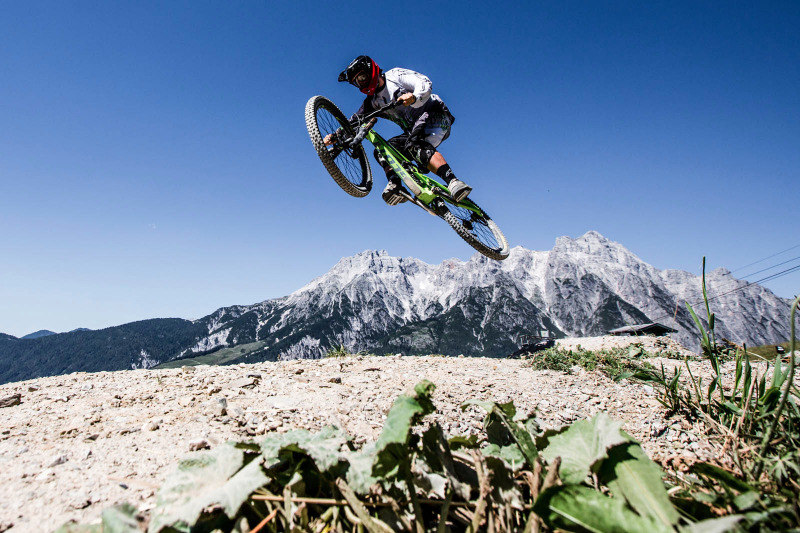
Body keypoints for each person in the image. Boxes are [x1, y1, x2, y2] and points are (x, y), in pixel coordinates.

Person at [331, 55, 471, 206]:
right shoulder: (372, 102)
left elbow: (423, 82)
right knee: (382, 151)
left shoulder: (395, 76)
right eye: (357, 82)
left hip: (436, 115)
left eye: (362, 77)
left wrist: (414, 97)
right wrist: (335, 136)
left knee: (415, 145)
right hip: (414, 131)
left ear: (370, 70)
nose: (361, 83)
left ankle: (453, 182)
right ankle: (395, 185)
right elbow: (354, 121)